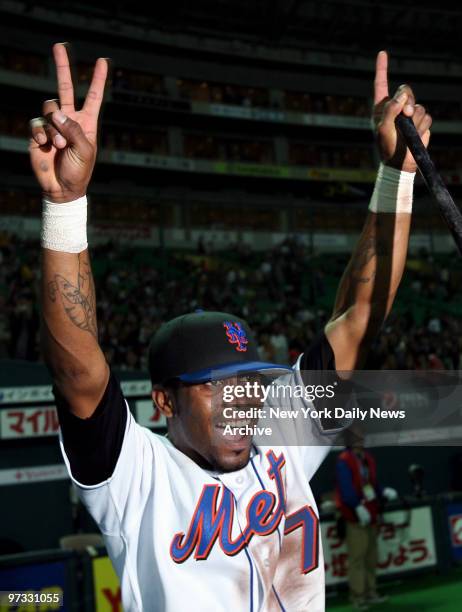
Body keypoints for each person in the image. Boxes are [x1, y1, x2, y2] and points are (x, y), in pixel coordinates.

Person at [29, 43, 431, 611]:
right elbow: (78, 369)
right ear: (164, 401)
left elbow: (360, 319)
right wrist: (67, 206)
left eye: (248, 381)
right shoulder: (138, 477)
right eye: (218, 384)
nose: (242, 399)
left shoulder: (282, 443)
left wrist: (397, 175)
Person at [336, 427, 398, 610]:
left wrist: (382, 491)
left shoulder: (367, 458)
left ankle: (371, 592)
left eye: (362, 436)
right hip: (354, 516)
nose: (361, 439)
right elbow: (346, 489)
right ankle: (358, 596)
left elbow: (372, 483)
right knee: (357, 558)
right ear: (349, 439)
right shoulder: (344, 461)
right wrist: (356, 507)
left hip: (370, 513)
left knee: (371, 556)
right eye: (357, 437)